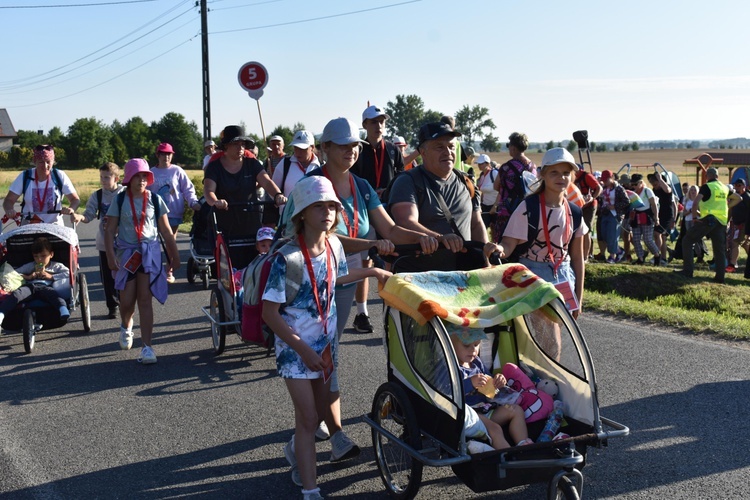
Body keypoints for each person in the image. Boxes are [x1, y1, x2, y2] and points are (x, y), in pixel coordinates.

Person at [278, 117, 436, 481]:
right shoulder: (310, 186)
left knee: (329, 357)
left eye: (354, 146)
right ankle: (331, 437)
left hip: (344, 281)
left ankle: (308, 438)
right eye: (342, 145)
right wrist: (370, 245)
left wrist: (429, 237)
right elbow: (321, 236)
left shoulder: (362, 186)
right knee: (324, 358)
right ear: (326, 149)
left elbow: (392, 231)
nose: (350, 151)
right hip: (309, 285)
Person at [262, 175, 392, 499]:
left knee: (320, 412)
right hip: (295, 348)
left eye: (331, 206)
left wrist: (372, 272)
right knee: (307, 417)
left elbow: (334, 279)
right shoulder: (286, 258)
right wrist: (302, 349)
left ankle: (295, 452)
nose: (327, 213)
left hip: (325, 343)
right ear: (301, 214)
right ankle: (311, 490)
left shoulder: (334, 244)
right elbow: (269, 313)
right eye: (318, 206)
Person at [389, 121, 501, 272]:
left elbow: (475, 223)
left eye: (451, 146)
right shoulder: (408, 181)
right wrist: (440, 238)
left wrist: (486, 260)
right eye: (439, 147)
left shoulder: (466, 181)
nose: (448, 152)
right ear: (423, 152)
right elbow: (405, 221)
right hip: (419, 277)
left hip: (463, 274)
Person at [105, 158, 180, 364]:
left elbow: (165, 230)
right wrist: (111, 256)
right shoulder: (119, 200)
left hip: (149, 254)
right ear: (129, 179)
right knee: (127, 300)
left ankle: (147, 347)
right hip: (126, 256)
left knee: (145, 300)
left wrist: (175, 256)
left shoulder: (155, 199)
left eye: (144, 176)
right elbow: (110, 230)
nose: (141, 180)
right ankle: (126, 325)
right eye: (137, 176)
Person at [496, 148, 586, 319]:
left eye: (566, 173)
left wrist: (578, 298)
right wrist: (499, 248)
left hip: (564, 276)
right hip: (532, 275)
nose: (561, 177)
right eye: (554, 172)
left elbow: (577, 258)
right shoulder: (528, 208)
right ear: (542, 174)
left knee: (557, 333)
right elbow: (508, 244)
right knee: (540, 335)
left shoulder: (575, 212)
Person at [350, 105, 405, 333]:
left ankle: (390, 309)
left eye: (381, 121)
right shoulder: (358, 150)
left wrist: (390, 191)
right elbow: (350, 178)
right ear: (364, 125)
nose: (379, 125)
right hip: (363, 211)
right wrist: (372, 193)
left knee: (393, 260)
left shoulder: (393, 150)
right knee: (365, 263)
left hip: (387, 213)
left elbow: (402, 178)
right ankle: (362, 313)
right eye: (374, 122)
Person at [204, 125, 287, 269]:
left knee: (255, 262)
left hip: (251, 221)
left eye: (242, 144)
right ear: (226, 146)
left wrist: (278, 195)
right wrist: (216, 201)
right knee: (229, 265)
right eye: (235, 144)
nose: (240, 147)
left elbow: (266, 181)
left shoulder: (252, 164)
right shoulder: (214, 167)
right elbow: (208, 190)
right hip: (226, 222)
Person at [448, 323, 532, 451]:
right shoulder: (451, 367)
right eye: (466, 346)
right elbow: (448, 392)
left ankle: (523, 443)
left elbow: (491, 386)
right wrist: (470, 383)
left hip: (486, 410)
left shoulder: (476, 363)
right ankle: (510, 458)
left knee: (516, 410)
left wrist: (498, 381)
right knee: (495, 429)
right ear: (451, 346)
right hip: (471, 416)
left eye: (476, 345)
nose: (473, 350)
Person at [70, 162, 125, 319]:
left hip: (125, 241)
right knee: (107, 276)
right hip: (104, 243)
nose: (103, 180)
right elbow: (89, 215)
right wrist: (79, 217)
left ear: (117, 178)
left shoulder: (124, 193)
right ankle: (112, 305)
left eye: (107, 177)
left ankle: (125, 300)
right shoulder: (98, 195)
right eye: (101, 177)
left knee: (125, 272)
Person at [149, 142, 201, 283]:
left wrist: (193, 202)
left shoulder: (177, 171)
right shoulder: (152, 172)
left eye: (169, 154)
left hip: (173, 212)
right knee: (152, 243)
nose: (166, 157)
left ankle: (169, 270)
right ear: (157, 155)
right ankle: (152, 270)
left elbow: (187, 188)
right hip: (154, 214)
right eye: (163, 154)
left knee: (170, 242)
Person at [675, 167, 730, 283]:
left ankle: (687, 271)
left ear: (707, 176)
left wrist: (694, 218)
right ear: (717, 176)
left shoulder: (706, 186)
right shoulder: (724, 187)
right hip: (721, 222)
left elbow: (695, 203)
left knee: (687, 240)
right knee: (719, 249)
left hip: (708, 219)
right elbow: (737, 198)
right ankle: (720, 277)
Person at [0, 237, 70, 327]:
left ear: (51, 254)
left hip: (46, 287)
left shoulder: (56, 266)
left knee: (54, 295)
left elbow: (68, 273)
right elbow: (15, 273)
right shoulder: (32, 265)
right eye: (36, 256)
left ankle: (63, 309)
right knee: (16, 294)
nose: (39, 259)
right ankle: (2, 313)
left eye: (43, 256)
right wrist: (28, 276)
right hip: (30, 286)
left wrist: (51, 276)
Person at [3, 144, 80, 225]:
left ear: (53, 161)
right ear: (34, 161)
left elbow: (75, 200)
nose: (45, 166)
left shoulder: (59, 176)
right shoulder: (25, 176)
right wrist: (9, 210)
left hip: (54, 226)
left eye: (48, 162)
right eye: (41, 162)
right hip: (29, 225)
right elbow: (9, 200)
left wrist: (71, 209)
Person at [490, 132, 537, 242]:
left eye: (509, 145)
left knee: (503, 240)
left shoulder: (506, 167)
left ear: (513, 147)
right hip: (527, 210)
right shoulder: (532, 167)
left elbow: (496, 186)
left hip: (507, 210)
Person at [628, 173, 663, 266]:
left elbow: (654, 205)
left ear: (641, 183)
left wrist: (656, 218)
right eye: (632, 184)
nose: (634, 186)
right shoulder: (632, 193)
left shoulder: (647, 191)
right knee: (635, 239)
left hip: (647, 217)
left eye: (635, 184)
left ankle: (657, 255)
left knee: (647, 239)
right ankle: (640, 258)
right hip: (636, 217)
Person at [598, 170, 628, 263]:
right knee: (604, 235)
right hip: (605, 213)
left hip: (615, 215)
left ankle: (612, 256)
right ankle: (619, 250)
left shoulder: (619, 188)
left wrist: (614, 206)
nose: (605, 182)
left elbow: (626, 202)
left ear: (612, 178)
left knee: (612, 235)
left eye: (606, 180)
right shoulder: (604, 188)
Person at [574, 165, 603, 261]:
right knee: (576, 230)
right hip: (577, 206)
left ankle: (586, 256)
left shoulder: (586, 176)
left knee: (586, 230)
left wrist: (593, 198)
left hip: (589, 206)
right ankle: (578, 254)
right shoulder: (571, 176)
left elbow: (599, 188)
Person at [648, 172, 674, 265]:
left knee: (657, 233)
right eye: (652, 185)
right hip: (659, 214)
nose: (654, 186)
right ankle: (663, 258)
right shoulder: (654, 190)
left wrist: (660, 179)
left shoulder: (667, 188)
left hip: (666, 216)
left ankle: (657, 255)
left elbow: (667, 190)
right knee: (662, 237)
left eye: (655, 184)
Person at [726, 178, 750, 274]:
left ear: (744, 186)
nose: (736, 187)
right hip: (736, 224)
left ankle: (732, 265)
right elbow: (731, 210)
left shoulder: (747, 197)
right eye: (735, 185)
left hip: (744, 224)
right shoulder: (734, 196)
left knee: (735, 243)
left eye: (739, 185)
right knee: (745, 244)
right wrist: (726, 222)